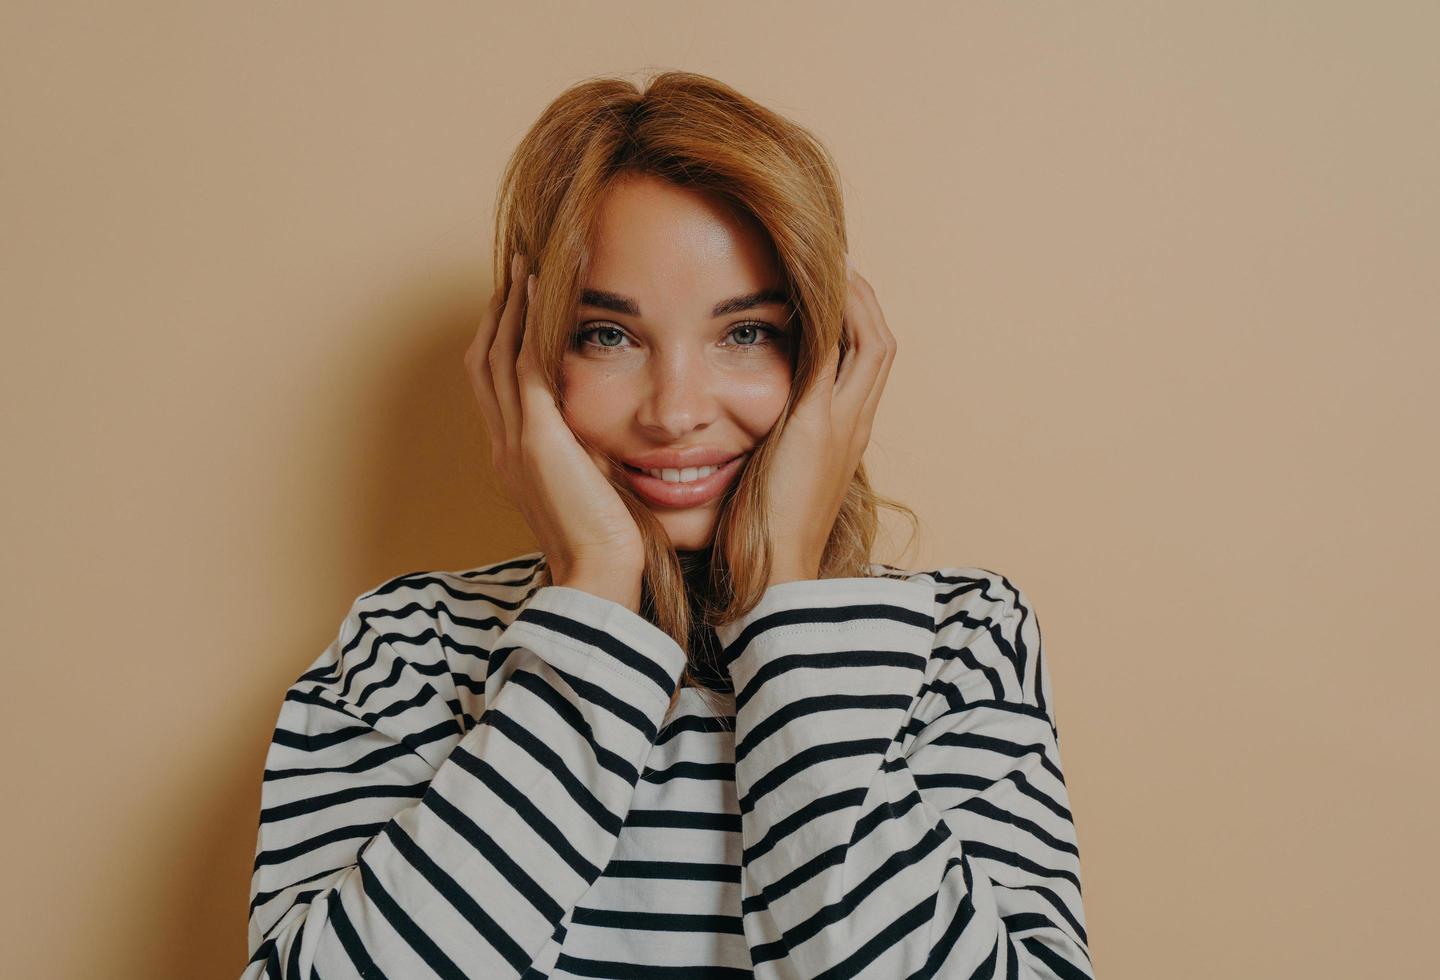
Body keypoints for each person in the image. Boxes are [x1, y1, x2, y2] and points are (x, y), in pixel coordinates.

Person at [241, 70, 1092, 979]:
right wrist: (597, 589)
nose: (675, 411)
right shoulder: (405, 651)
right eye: (607, 335)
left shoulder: (961, 645)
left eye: (748, 332)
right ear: (523, 361)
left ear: (830, 354)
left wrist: (789, 600)